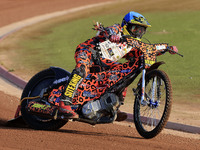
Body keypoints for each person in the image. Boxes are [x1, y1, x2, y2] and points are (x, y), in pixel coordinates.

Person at [48, 11, 178, 120]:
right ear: (126, 26)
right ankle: (64, 102)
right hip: (88, 51)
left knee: (125, 72)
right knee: (82, 70)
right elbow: (109, 30)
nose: (138, 33)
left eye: (141, 31)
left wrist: (166, 49)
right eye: (135, 29)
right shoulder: (118, 29)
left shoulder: (130, 46)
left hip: (104, 63)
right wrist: (112, 35)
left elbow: (141, 54)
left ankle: (113, 106)